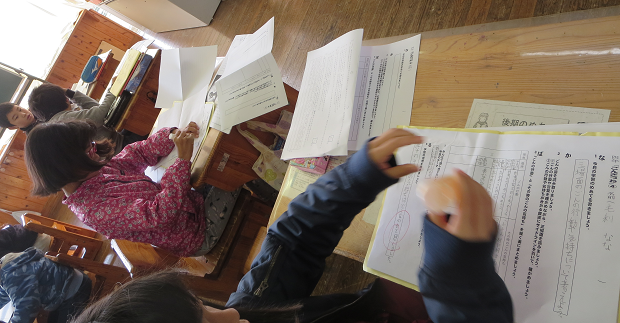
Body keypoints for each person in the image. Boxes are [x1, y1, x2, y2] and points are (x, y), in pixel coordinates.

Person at [71, 128, 513, 323]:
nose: (231, 312)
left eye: (204, 306)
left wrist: (355, 178)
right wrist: (458, 273)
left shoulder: (248, 317)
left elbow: (292, 242)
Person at [24, 120, 238, 257]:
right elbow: (160, 213)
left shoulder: (94, 173)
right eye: (89, 150)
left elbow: (136, 154)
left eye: (93, 144)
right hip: (197, 232)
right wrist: (182, 161)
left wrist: (172, 136)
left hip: (190, 203)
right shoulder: (95, 210)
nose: (96, 151)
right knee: (233, 168)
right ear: (67, 166)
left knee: (222, 155)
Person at [27, 83, 145, 153]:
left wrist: (71, 94)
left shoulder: (55, 121)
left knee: (134, 120)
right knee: (141, 120)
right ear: (66, 100)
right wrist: (112, 90)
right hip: (120, 150)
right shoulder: (63, 120)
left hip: (117, 142)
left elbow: (97, 109)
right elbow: (100, 115)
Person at [0, 247, 92, 323]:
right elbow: (4, 293)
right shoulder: (7, 265)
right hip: (67, 285)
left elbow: (26, 310)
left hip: (74, 291)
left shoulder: (12, 277)